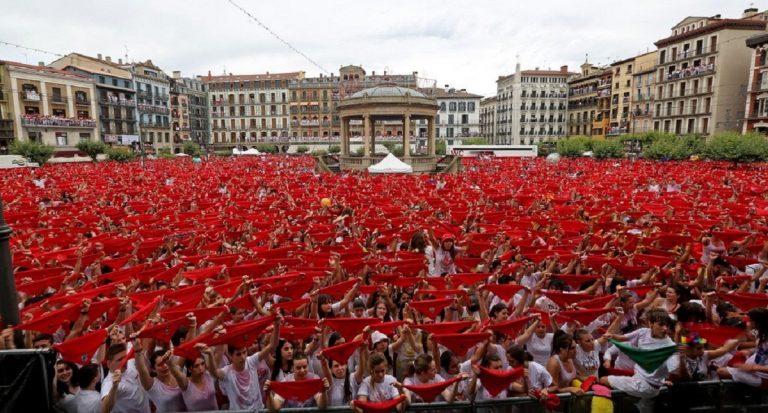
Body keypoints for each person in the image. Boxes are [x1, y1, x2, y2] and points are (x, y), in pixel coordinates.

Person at [599, 308, 676, 413]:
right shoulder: (642, 332)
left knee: (602, 380)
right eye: (661, 325)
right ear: (650, 324)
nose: (665, 328)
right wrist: (612, 336)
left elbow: (672, 369)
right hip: (640, 380)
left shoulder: (670, 346)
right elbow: (622, 338)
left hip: (645, 386)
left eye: (666, 325)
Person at [718, 307, 768, 388]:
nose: (749, 323)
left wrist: (754, 367)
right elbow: (763, 350)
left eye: (751, 321)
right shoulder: (762, 334)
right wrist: (750, 351)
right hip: (755, 371)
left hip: (763, 378)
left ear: (758, 322)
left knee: (721, 371)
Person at [264, 351, 330, 411]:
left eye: (304, 367)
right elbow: (274, 408)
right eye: (298, 368)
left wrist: (323, 391)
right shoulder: (286, 382)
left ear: (308, 366)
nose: (302, 370)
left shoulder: (315, 379)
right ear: (292, 368)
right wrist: (269, 394)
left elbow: (322, 406)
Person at [133, 339, 184, 412]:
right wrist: (137, 350)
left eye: (166, 362)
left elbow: (186, 351)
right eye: (160, 364)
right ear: (153, 369)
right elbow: (142, 370)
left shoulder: (177, 373)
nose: (165, 366)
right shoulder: (152, 385)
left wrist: (193, 327)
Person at [101, 342, 151, 413]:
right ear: (109, 363)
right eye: (119, 360)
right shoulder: (108, 383)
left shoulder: (129, 363)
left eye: (125, 357)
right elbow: (105, 409)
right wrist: (114, 387)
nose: (124, 361)